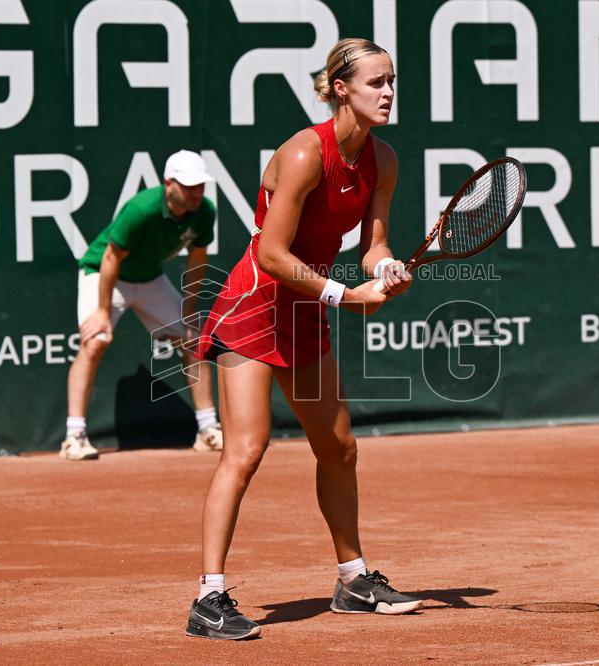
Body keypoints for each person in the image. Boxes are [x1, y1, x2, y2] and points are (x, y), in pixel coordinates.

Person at [184, 39, 419, 641]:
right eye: (376, 82)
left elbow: (373, 246)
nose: (388, 92)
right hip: (256, 305)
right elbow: (270, 253)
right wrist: (345, 296)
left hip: (305, 309)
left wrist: (385, 270)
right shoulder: (302, 154)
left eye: (391, 80)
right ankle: (208, 598)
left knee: (338, 447)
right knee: (246, 449)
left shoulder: (383, 159)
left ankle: (353, 580)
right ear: (341, 88)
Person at [60, 150, 224, 461]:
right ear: (169, 184)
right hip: (104, 273)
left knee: (193, 340)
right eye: (188, 186)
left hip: (149, 278)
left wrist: (189, 309)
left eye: (200, 185)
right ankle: (74, 437)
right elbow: (111, 258)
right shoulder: (141, 209)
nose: (196, 193)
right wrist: (103, 312)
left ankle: (207, 430)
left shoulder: (204, 211)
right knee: (95, 341)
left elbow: (197, 260)